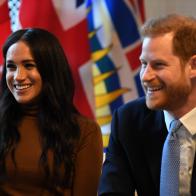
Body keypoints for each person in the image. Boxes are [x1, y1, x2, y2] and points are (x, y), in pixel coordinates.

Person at [98, 14, 196, 196]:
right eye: (144, 64)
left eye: (158, 65)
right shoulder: (128, 120)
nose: (145, 76)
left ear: (193, 66)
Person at [0, 28, 103, 195]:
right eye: (11, 67)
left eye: (29, 65)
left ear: (50, 70)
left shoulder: (84, 131)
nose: (18, 76)